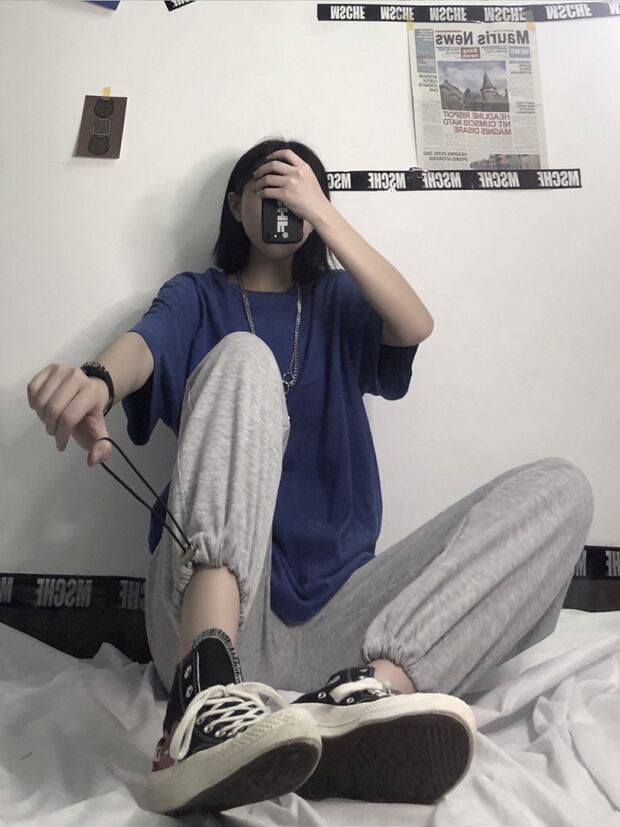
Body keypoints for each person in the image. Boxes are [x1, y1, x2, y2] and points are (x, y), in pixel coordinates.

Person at [27, 137, 594, 817]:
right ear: (234, 205)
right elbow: (143, 347)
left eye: (298, 190)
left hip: (343, 624)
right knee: (244, 356)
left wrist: (324, 215)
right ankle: (205, 702)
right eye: (267, 186)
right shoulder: (198, 297)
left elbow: (414, 322)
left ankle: (364, 703)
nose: (283, 202)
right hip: (212, 613)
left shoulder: (336, 301)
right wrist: (97, 380)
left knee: (561, 488)